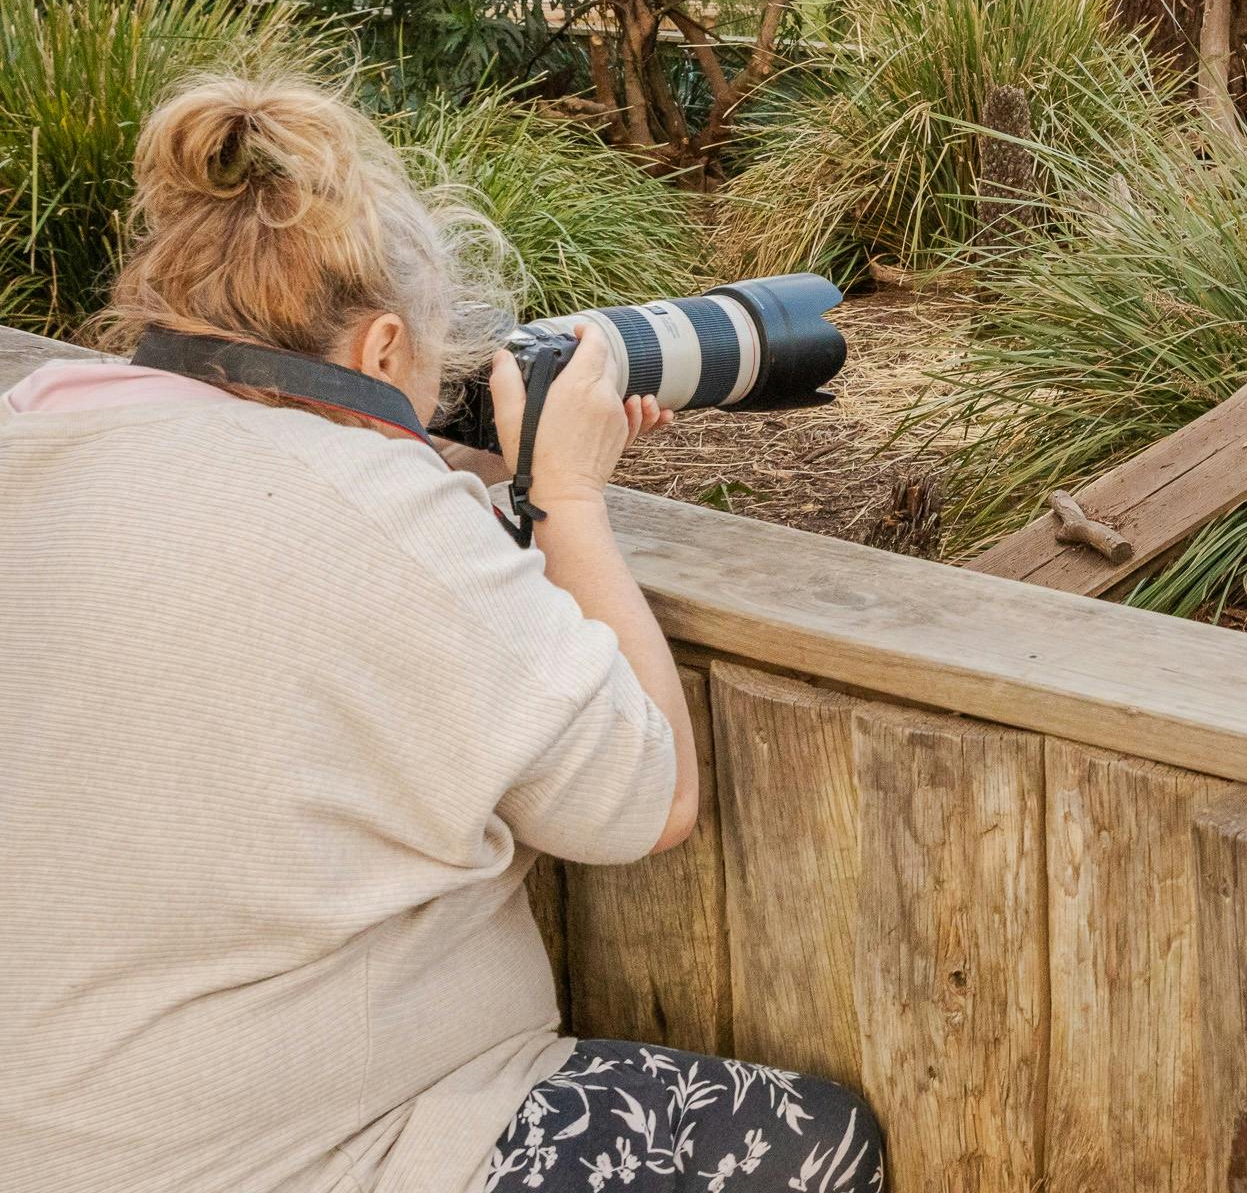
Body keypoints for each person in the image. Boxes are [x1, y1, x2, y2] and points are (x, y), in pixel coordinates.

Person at [0, 76, 884, 1193]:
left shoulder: (35, 437)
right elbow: (641, 804)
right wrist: (564, 491)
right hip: (300, 1154)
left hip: (40, 1134)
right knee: (814, 1139)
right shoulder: (378, 514)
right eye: (430, 363)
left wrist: (434, 472)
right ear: (378, 350)